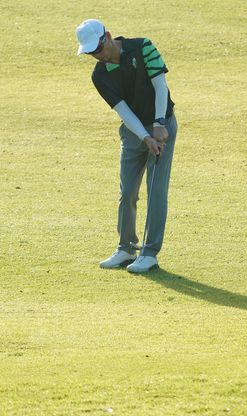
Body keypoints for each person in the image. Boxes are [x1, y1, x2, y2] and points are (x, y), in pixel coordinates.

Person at [75, 18, 177, 273]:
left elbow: (160, 86)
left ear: (108, 36)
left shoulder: (143, 47)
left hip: (162, 124)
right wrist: (145, 137)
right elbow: (123, 111)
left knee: (156, 190)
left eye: (98, 49)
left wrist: (159, 124)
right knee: (128, 190)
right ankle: (126, 248)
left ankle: (149, 253)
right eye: (91, 53)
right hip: (134, 131)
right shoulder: (99, 75)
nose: (97, 55)